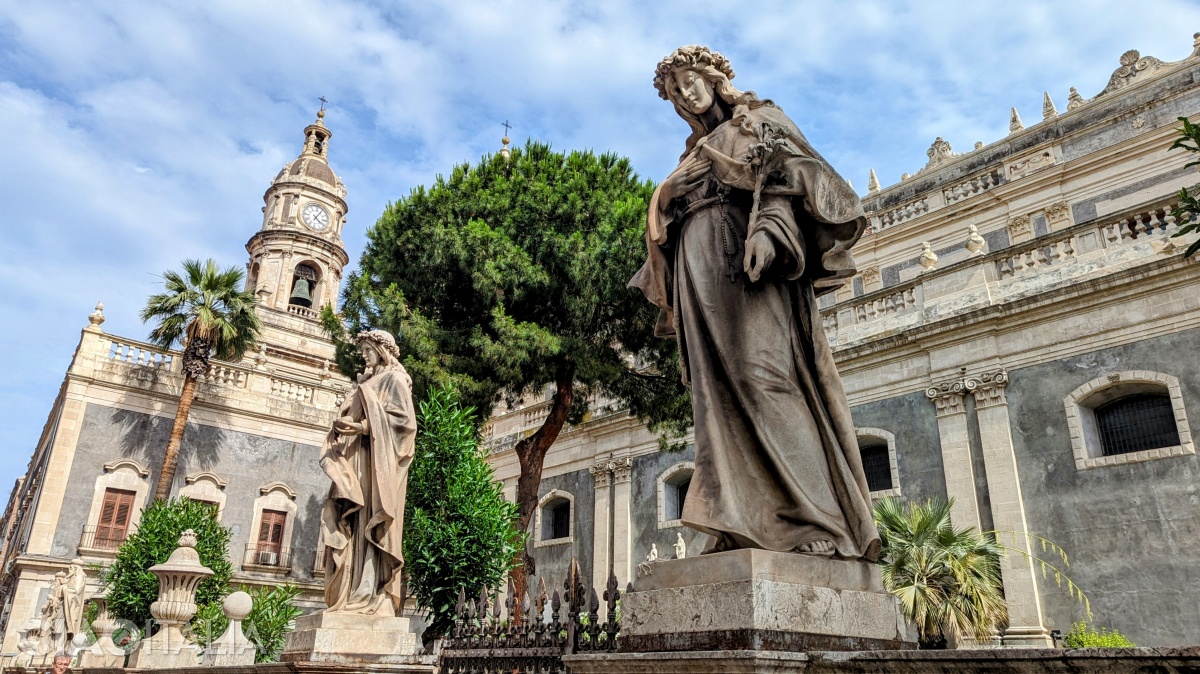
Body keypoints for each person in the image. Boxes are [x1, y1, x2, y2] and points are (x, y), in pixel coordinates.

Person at [630, 45, 880, 561]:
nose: (685, 93)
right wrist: (665, 194)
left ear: (714, 77)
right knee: (713, 397)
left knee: (766, 378)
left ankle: (818, 518)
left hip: (746, 257)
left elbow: (794, 177)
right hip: (697, 268)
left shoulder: (760, 119)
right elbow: (665, 219)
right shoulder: (691, 156)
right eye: (675, 91)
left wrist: (768, 231)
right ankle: (735, 519)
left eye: (690, 80)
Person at [319, 329, 417, 615]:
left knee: (370, 521)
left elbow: (405, 424)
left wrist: (363, 427)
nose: (363, 355)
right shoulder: (367, 381)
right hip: (356, 461)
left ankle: (370, 589)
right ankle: (349, 593)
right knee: (351, 522)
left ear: (381, 349)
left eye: (367, 349)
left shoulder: (395, 379)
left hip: (377, 467)